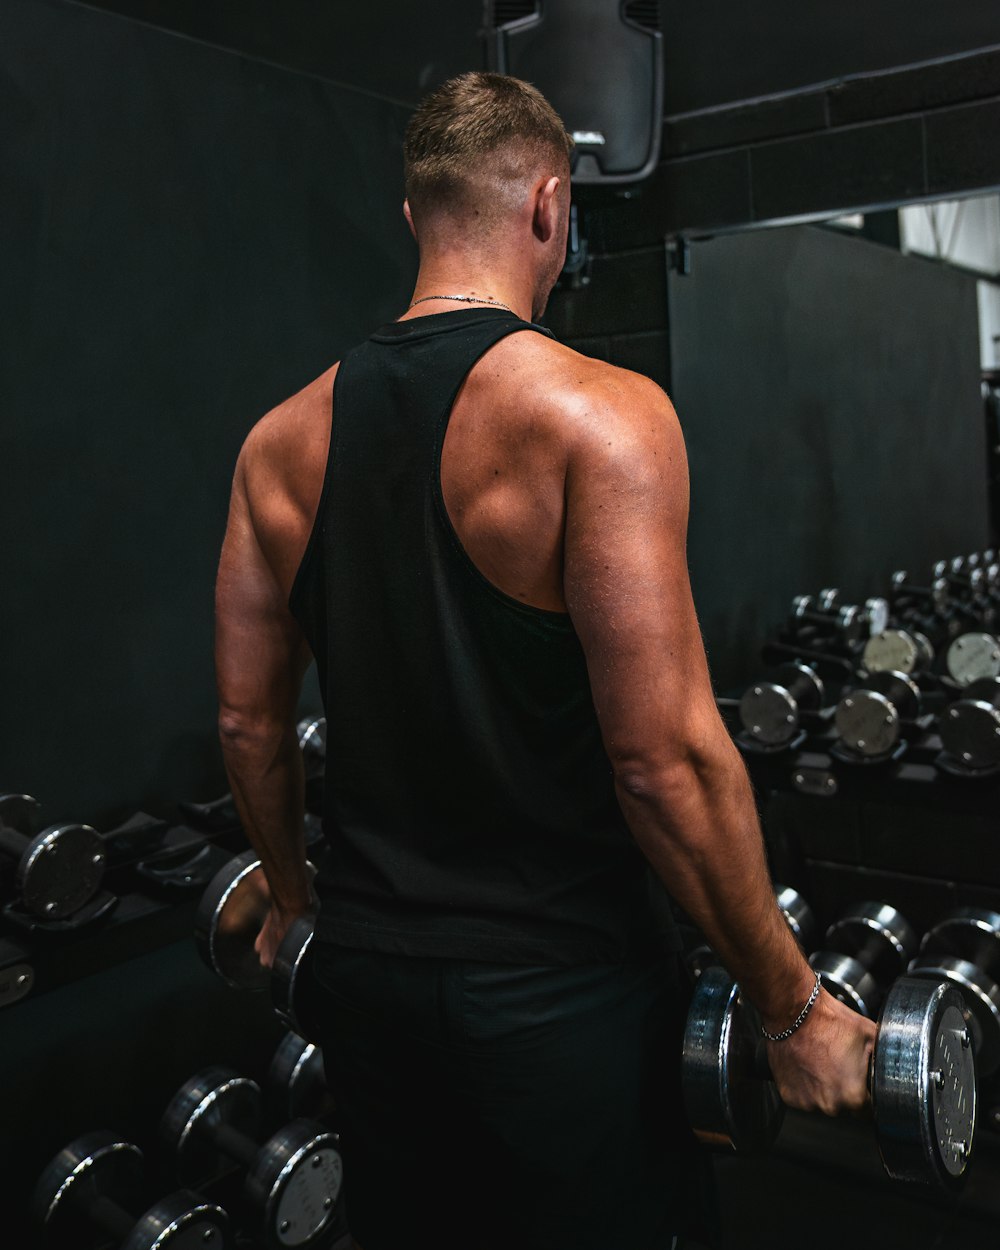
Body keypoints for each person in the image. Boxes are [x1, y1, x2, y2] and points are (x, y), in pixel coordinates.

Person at [214, 71, 875, 1250]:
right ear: (549, 210)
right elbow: (664, 760)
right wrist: (792, 1007)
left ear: (413, 217)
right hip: (564, 1001)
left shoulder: (277, 443)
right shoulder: (597, 416)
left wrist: (294, 905)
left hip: (370, 982)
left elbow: (250, 727)